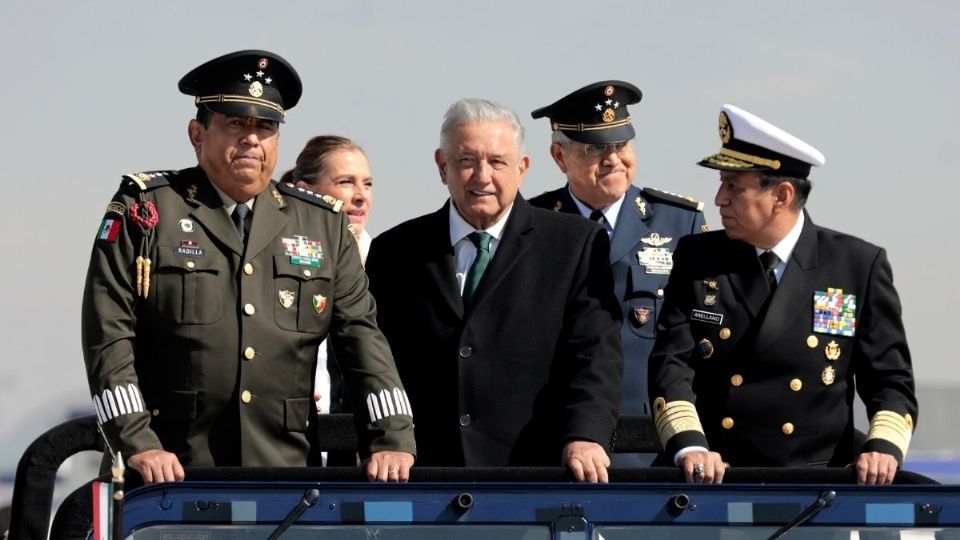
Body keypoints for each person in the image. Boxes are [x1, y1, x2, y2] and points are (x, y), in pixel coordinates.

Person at [81, 50, 415, 484]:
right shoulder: (146, 210)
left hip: (287, 477)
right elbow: (108, 338)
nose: (252, 140)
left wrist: (392, 436)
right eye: (236, 124)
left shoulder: (321, 222)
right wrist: (137, 442)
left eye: (265, 127)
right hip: (171, 476)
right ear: (197, 134)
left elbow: (361, 336)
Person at [649, 104, 917, 485]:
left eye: (733, 187)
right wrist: (689, 444)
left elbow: (890, 380)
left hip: (816, 487)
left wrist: (883, 449)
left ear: (782, 194)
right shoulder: (698, 258)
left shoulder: (856, 265)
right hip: (713, 480)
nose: (719, 199)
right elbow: (671, 364)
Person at [365, 98, 623, 483]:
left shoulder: (573, 244)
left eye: (498, 162)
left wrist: (586, 434)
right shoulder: (395, 251)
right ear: (442, 166)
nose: (482, 176)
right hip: (422, 478)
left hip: (534, 477)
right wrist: (386, 437)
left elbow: (595, 355)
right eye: (467, 161)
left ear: (522, 168)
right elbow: (373, 360)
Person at [529, 81, 707, 467]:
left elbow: (699, 339)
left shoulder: (681, 223)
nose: (614, 159)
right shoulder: (533, 226)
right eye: (596, 149)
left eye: (621, 145)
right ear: (560, 156)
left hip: (654, 447)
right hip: (558, 445)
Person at [280, 135, 374, 465]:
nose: (360, 196)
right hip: (293, 445)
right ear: (304, 190)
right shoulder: (273, 260)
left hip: (366, 456)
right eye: (345, 182)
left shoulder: (389, 260)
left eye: (367, 183)